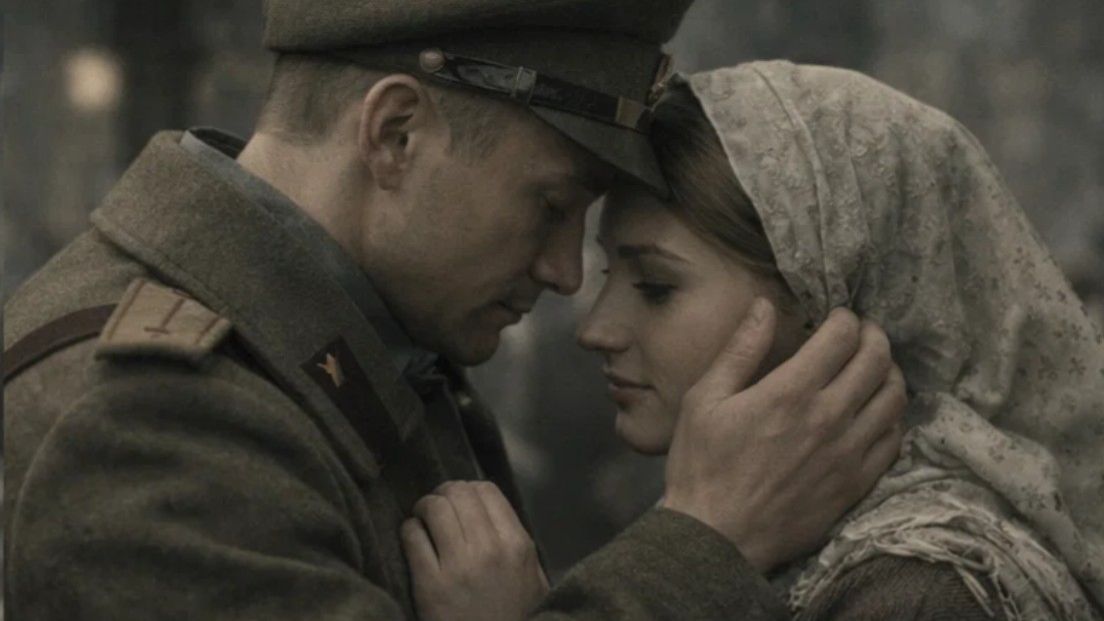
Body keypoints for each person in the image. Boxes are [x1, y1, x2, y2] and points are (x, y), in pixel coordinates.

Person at [2, 4, 906, 619]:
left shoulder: (335, 333)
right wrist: (708, 541)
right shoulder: (154, 419)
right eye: (551, 206)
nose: (565, 273)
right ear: (395, 135)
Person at [403, 60, 1104, 619]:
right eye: (611, 274)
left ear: (829, 304)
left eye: (656, 286)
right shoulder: (802, 543)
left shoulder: (918, 589)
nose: (595, 329)